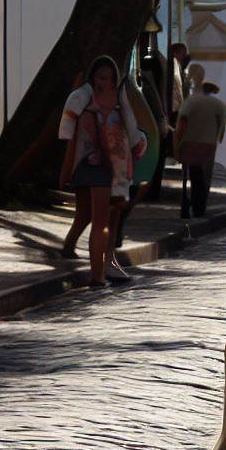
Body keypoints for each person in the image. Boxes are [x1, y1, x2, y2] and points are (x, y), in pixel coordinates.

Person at [59, 56, 147, 288]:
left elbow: (132, 133)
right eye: (100, 77)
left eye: (109, 78)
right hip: (93, 166)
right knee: (99, 221)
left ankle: (85, 253)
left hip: (117, 170)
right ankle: (97, 275)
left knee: (95, 216)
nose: (104, 82)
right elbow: (69, 134)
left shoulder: (120, 102)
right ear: (93, 78)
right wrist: (67, 169)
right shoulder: (84, 102)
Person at [173, 64, 226, 218]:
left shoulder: (190, 102)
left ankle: (194, 206)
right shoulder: (219, 105)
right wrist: (216, 139)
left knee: (193, 175)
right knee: (205, 176)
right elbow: (221, 127)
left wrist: (177, 141)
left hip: (191, 143)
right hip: (209, 144)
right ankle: (200, 206)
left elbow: (182, 122)